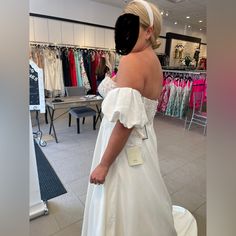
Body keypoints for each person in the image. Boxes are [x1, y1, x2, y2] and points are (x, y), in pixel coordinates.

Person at [82, 1, 197, 235]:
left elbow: (124, 123)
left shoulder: (132, 61)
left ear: (148, 32)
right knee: (141, 195)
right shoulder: (152, 61)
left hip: (123, 146)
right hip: (143, 140)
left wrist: (104, 164)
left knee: (121, 198)